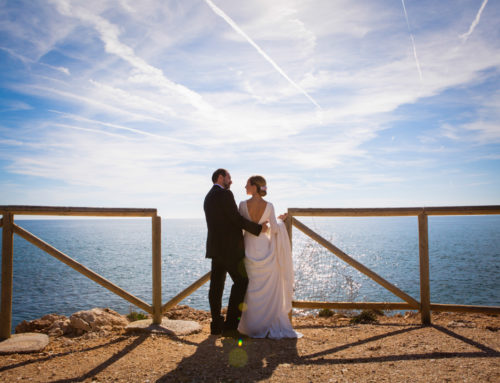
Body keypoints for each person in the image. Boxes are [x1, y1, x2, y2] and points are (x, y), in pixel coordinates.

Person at [237, 175, 302, 339]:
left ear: (254, 187)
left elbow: (242, 228)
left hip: (249, 248)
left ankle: (251, 325)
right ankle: (267, 321)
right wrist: (280, 221)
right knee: (267, 288)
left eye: (247, 184)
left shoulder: (242, 205)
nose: (244, 186)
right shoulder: (269, 206)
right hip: (265, 249)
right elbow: (273, 229)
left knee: (251, 288)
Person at [203, 168, 265, 337]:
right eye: (229, 177)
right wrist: (258, 228)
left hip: (215, 249)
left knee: (216, 287)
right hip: (230, 249)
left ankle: (216, 324)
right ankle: (231, 326)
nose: (231, 181)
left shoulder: (208, 197)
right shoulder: (225, 195)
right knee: (241, 282)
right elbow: (236, 219)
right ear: (221, 177)